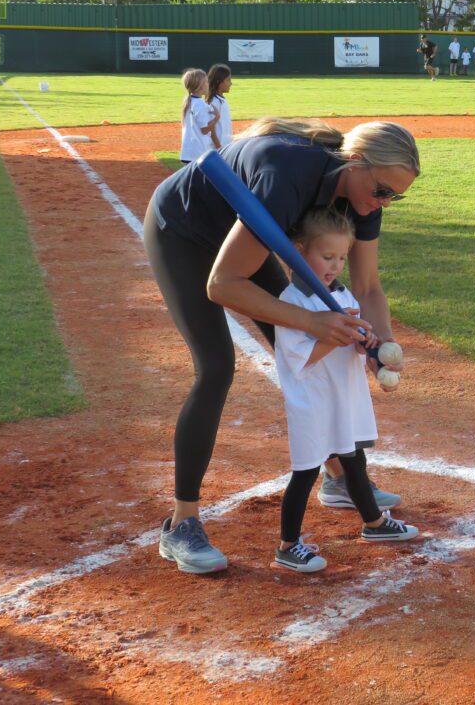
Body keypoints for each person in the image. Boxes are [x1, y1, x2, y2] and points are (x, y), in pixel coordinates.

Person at [145, 118, 419, 574]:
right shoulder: (286, 177)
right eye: (382, 189)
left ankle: (336, 478)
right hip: (185, 233)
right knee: (217, 367)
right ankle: (181, 523)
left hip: (245, 235)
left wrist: (381, 343)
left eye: (395, 195)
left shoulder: (363, 199)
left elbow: (368, 289)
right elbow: (223, 284)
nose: (383, 201)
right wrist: (313, 321)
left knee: (307, 342)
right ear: (354, 162)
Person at [273, 209, 419, 573]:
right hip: (313, 401)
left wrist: (365, 342)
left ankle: (374, 524)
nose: (335, 265)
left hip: (343, 395)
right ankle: (288, 545)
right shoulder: (292, 303)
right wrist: (340, 333)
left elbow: (352, 345)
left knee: (354, 459)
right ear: (299, 251)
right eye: (326, 257)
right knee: (306, 472)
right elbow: (301, 358)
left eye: (341, 258)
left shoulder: (340, 293)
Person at [179, 69, 219, 164]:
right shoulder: (200, 104)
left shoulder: (189, 101)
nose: (208, 85)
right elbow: (204, 130)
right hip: (198, 152)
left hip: (188, 151)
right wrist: (217, 117)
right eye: (206, 82)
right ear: (200, 86)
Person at [206, 64, 233, 150]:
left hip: (225, 146)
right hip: (218, 148)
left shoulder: (221, 99)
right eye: (228, 80)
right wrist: (219, 147)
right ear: (219, 82)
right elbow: (211, 127)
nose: (231, 83)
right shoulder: (214, 101)